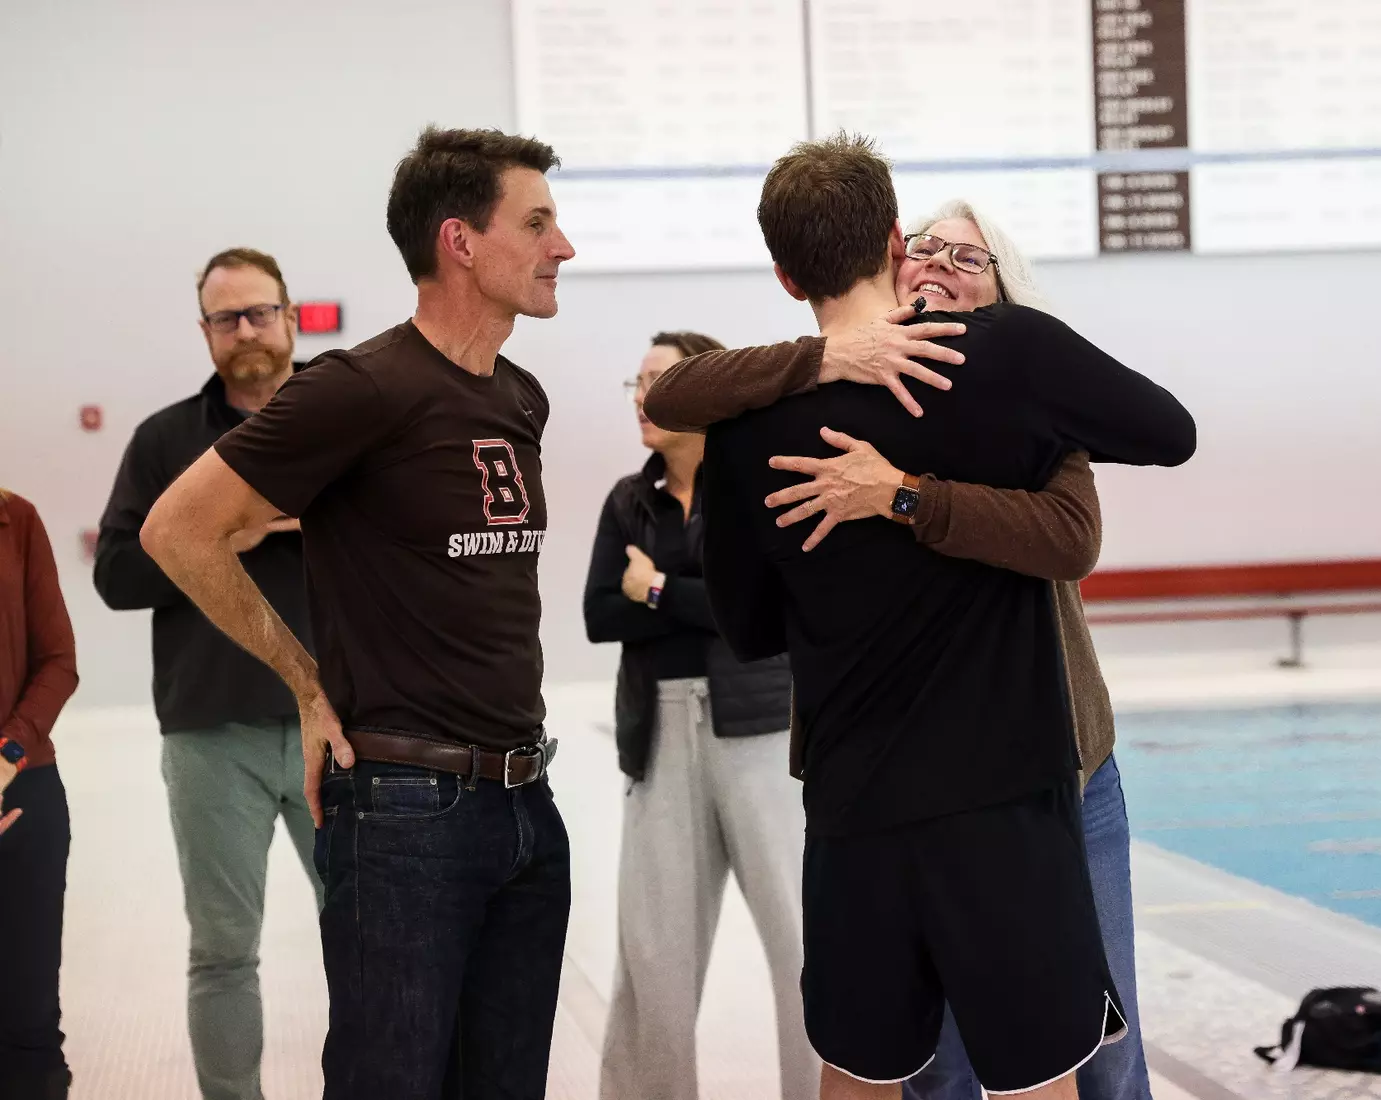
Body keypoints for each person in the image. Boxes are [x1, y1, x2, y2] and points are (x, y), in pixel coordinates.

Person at [679, 132, 1196, 1100]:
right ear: (891, 240)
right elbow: (1170, 432)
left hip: (853, 799)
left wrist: (884, 524)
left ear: (786, 275)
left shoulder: (747, 425)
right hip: (1002, 794)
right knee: (1041, 1070)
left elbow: (748, 628)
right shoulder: (1014, 359)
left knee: (865, 1068)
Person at [138, 127, 576, 1099]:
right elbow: (178, 531)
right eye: (538, 221)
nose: (564, 246)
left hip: (527, 802)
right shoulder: (361, 384)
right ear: (460, 241)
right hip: (406, 815)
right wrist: (303, 678)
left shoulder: (521, 397)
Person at [93, 246, 319, 1100]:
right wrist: (225, 535)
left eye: (260, 311)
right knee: (223, 952)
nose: (247, 331)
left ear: (290, 315)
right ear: (205, 333)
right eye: (227, 318)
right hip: (210, 735)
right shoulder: (164, 442)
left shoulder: (342, 424)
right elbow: (117, 575)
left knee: (370, 932)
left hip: (335, 720)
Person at [584, 330, 816, 1100]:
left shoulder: (758, 488)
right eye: (637, 381)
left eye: (661, 380)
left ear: (707, 397)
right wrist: (697, 603)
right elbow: (596, 614)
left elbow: (761, 612)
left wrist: (654, 590)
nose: (644, 398)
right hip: (657, 732)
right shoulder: (629, 500)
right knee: (652, 959)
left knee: (806, 948)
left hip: (762, 734)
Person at [0, 487, 80, 1100]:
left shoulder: (16, 518)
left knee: (29, 1030)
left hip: (21, 791)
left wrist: (6, 755)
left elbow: (57, 660)